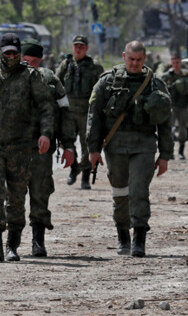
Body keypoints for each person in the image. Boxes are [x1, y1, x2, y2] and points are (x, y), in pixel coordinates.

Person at [0, 33, 54, 262]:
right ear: (0, 51)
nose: (11, 56)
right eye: (7, 52)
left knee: (16, 197)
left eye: (15, 53)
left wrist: (45, 134)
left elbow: (46, 106)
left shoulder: (30, 76)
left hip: (21, 146)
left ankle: (12, 245)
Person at [87, 41, 172, 257]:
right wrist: (93, 149)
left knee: (138, 191)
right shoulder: (107, 82)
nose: (134, 64)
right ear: (124, 56)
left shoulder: (155, 84)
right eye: (131, 59)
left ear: (145, 59)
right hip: (115, 146)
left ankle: (139, 240)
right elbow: (94, 116)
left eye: (139, 60)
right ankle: (123, 236)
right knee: (120, 193)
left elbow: (165, 123)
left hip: (143, 146)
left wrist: (165, 155)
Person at [20, 39, 76, 257]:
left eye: (34, 61)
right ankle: (10, 241)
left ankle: (38, 240)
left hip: (42, 149)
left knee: (40, 192)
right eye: (26, 61)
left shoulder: (51, 80)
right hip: (14, 147)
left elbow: (64, 115)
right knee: (12, 195)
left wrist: (69, 146)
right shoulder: (9, 78)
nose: (30, 65)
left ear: (41, 61)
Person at [56, 35, 104, 189]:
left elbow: (102, 89)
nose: (78, 49)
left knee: (88, 146)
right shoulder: (66, 64)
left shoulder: (94, 67)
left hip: (86, 113)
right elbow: (56, 84)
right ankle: (74, 167)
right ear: (72, 48)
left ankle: (85, 178)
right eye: (76, 46)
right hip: (68, 112)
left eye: (81, 47)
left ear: (86, 48)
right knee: (66, 142)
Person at [161, 55, 188, 159]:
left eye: (177, 62)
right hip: (171, 106)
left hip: (183, 106)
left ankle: (181, 152)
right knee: (169, 130)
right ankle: (170, 152)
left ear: (180, 62)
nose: (176, 65)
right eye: (174, 63)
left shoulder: (185, 74)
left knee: (183, 130)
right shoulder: (167, 76)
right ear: (171, 63)